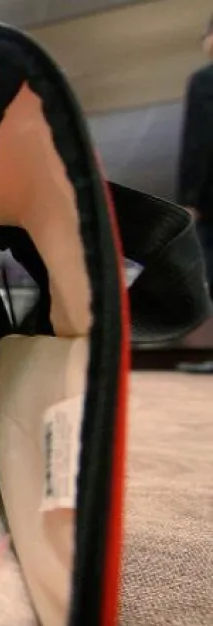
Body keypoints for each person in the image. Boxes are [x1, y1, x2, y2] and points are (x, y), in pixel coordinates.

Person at [176, 16, 213, 374]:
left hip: (210, 202)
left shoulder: (204, 81)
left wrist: (189, 197)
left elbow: (199, 144)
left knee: (207, 276)